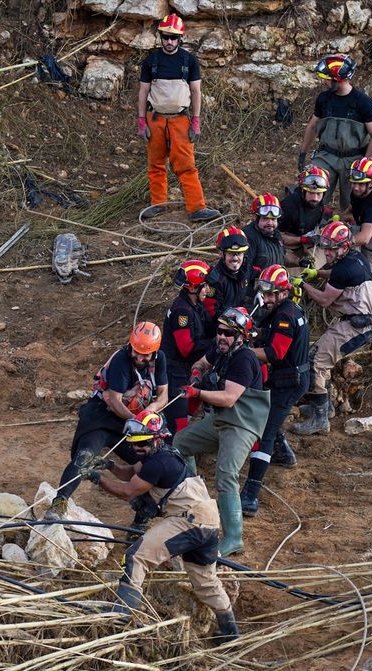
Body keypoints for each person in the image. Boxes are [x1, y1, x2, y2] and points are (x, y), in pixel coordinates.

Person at [80, 410, 238, 643]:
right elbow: (130, 473)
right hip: (209, 522)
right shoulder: (160, 455)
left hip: (189, 521)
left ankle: (122, 614)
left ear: (156, 438)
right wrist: (108, 465)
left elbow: (127, 491)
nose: (137, 449)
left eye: (142, 444)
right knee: (205, 580)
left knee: (137, 556)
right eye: (134, 444)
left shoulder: (158, 463)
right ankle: (229, 630)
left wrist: (97, 478)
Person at [173, 307, 270, 556]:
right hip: (220, 420)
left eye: (228, 333)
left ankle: (233, 537)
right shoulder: (221, 349)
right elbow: (201, 362)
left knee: (226, 474)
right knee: (180, 444)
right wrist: (196, 374)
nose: (222, 337)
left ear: (241, 337)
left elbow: (228, 398)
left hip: (242, 424)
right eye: (219, 331)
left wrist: (198, 392)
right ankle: (196, 502)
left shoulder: (245, 359)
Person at [48, 322, 168, 517]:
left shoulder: (160, 359)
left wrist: (150, 412)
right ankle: (59, 502)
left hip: (135, 421)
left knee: (150, 462)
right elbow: (115, 401)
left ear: (154, 353)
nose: (139, 358)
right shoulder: (122, 359)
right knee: (84, 456)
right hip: (103, 416)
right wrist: (135, 421)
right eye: (136, 352)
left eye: (145, 355)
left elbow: (164, 395)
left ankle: (143, 516)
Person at [290, 222, 372, 436]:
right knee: (321, 360)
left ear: (344, 246)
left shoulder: (345, 267)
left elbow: (323, 300)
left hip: (356, 326)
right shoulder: (353, 259)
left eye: (331, 248)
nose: (326, 252)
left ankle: (320, 419)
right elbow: (335, 275)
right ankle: (325, 407)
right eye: (325, 247)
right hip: (358, 322)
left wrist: (302, 285)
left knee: (315, 362)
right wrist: (317, 274)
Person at [241, 265, 310, 516]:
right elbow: (271, 338)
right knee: (269, 419)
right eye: (264, 293)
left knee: (264, 432)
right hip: (288, 377)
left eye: (271, 294)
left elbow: (273, 353)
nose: (266, 298)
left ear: (284, 293)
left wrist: (243, 351)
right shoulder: (287, 311)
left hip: (289, 380)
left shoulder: (285, 316)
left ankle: (251, 494)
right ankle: (284, 454)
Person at [138, 14, 220, 223]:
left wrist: (196, 121)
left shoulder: (189, 61)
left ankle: (196, 208)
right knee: (156, 164)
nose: (169, 42)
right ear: (161, 37)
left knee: (186, 165)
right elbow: (143, 91)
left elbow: (196, 91)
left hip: (180, 120)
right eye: (166, 37)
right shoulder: (151, 61)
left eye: (174, 38)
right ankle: (158, 205)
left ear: (180, 38)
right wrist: (141, 121)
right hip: (155, 119)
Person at [299, 54, 372, 209]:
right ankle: (312, 226)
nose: (323, 82)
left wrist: (364, 163)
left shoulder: (362, 102)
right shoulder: (323, 99)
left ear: (338, 79)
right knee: (312, 191)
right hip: (326, 156)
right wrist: (303, 153)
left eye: (327, 79)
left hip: (353, 159)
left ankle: (347, 230)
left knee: (353, 203)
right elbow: (312, 126)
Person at [162, 259, 213, 434]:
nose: (208, 290)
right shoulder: (182, 312)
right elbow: (187, 349)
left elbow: (209, 326)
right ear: (192, 288)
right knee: (178, 425)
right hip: (175, 372)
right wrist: (214, 345)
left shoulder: (195, 305)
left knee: (194, 401)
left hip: (185, 370)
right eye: (204, 286)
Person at [203, 226, 253, 332]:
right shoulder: (215, 280)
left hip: (241, 326)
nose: (235, 258)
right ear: (221, 254)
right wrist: (235, 321)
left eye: (239, 254)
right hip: (221, 332)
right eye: (230, 253)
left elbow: (258, 273)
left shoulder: (246, 268)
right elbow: (211, 312)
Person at [280, 165, 333, 265]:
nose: (315, 198)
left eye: (319, 194)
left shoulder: (319, 200)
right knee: (302, 271)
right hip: (288, 246)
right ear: (303, 190)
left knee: (324, 261)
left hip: (311, 239)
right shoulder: (289, 209)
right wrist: (305, 240)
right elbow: (277, 238)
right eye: (311, 193)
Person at [242, 193, 285, 272]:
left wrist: (299, 261)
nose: (270, 223)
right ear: (256, 218)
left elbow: (282, 256)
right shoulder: (247, 237)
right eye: (265, 219)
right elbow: (244, 270)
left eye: (273, 219)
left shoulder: (276, 234)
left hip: (275, 282)